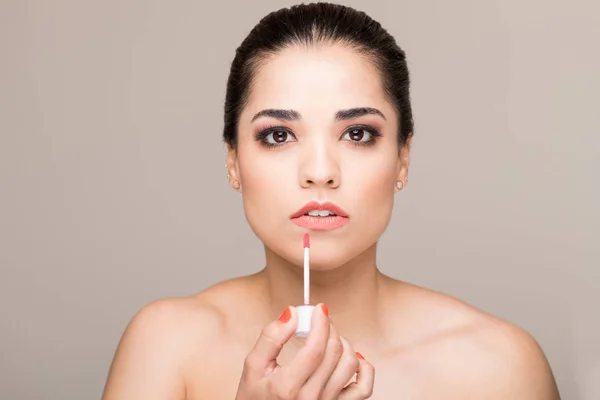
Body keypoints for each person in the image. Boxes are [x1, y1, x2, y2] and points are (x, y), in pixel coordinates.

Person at [101, 3, 560, 399]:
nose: (320, 171)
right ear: (233, 162)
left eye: (358, 134)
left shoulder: (499, 368)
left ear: (402, 158)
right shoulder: (166, 346)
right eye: (278, 135)